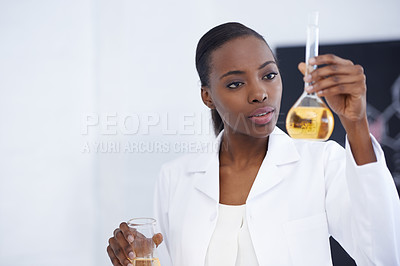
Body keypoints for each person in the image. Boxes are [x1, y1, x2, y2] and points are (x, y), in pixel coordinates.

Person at [107, 22, 400, 266]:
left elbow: (383, 256)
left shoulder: (321, 163)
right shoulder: (175, 177)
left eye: (269, 75)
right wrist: (135, 255)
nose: (260, 93)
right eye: (236, 83)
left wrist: (357, 125)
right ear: (207, 96)